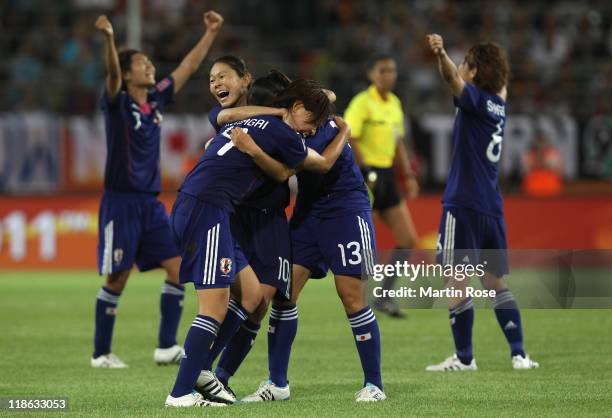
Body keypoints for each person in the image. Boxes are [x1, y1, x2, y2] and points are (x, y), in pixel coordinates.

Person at [165, 79, 337, 407]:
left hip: (198, 203)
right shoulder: (287, 136)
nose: (312, 131)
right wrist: (342, 133)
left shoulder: (247, 120)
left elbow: (236, 123)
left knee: (253, 294)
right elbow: (311, 164)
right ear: (297, 108)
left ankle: (200, 373)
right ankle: (181, 393)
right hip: (209, 209)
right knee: (213, 307)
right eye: (311, 122)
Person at [230, 99, 386, 403]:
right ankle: (277, 384)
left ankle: (374, 384)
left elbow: (310, 166)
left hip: (346, 210)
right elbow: (326, 95)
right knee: (284, 294)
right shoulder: (289, 122)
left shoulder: (317, 127)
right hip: (307, 214)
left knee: (351, 294)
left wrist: (252, 148)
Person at [91, 11, 223, 368]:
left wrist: (210, 32)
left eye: (149, 61)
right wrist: (109, 40)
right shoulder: (118, 102)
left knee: (179, 268)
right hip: (121, 202)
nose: (149, 66)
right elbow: (112, 75)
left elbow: (187, 66)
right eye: (142, 63)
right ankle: (101, 353)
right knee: (117, 276)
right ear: (128, 72)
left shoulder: (157, 101)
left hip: (150, 203)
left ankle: (166, 346)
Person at [425, 34, 539, 371]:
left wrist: (443, 54)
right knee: (494, 282)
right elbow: (497, 83)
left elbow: (450, 78)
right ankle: (519, 354)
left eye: (466, 64)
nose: (460, 68)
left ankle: (464, 359)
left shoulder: (473, 99)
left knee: (455, 278)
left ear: (474, 73)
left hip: (463, 203)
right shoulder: (499, 103)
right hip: (492, 205)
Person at [344, 54, 419, 318]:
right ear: (371, 74)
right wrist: (365, 172)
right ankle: (359, 305)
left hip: (387, 176)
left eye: (392, 70)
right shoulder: (362, 103)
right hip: (367, 175)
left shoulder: (395, 104)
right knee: (364, 241)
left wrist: (408, 174)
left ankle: (384, 296)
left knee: (408, 239)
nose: (389, 75)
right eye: (383, 70)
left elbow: (397, 142)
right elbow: (350, 137)